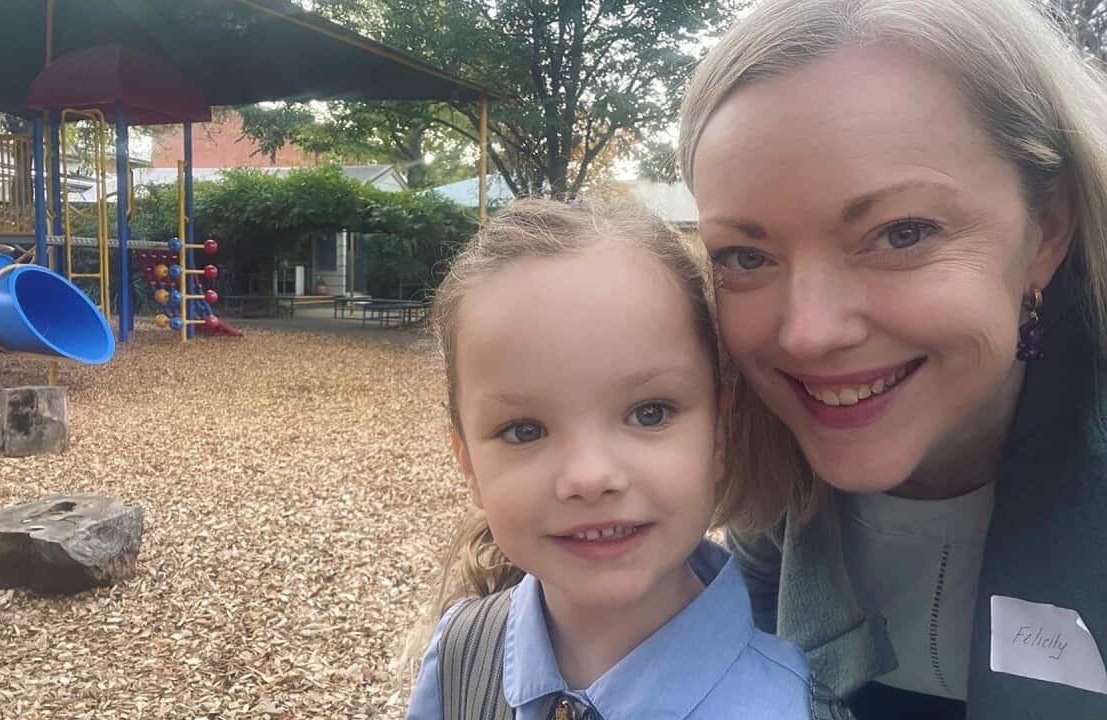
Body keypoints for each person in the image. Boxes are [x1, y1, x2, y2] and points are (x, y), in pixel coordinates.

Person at [677, 1, 1107, 718]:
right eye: (746, 257)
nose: (809, 334)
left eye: (902, 234)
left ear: (1047, 231)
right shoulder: (762, 487)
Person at [404, 200, 838, 719]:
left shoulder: (794, 709)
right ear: (469, 465)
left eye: (649, 413)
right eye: (525, 430)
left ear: (719, 434)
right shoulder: (459, 658)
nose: (590, 477)